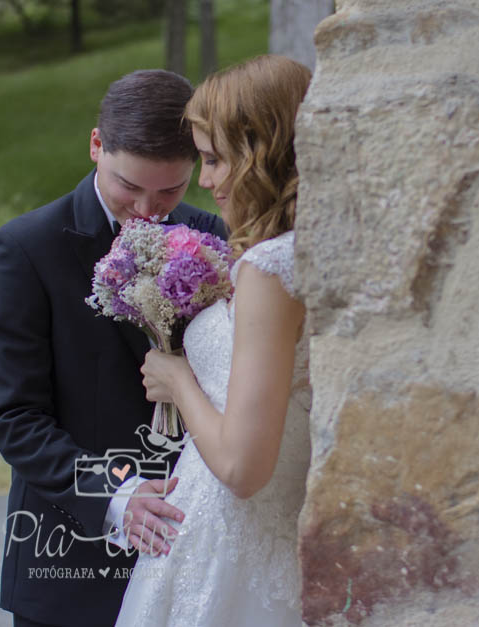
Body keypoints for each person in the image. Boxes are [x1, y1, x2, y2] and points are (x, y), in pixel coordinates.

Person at [0, 70, 227, 627]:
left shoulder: (211, 236)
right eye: (129, 186)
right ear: (96, 145)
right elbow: (15, 417)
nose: (148, 208)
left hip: (195, 548)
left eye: (170, 190)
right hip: (69, 560)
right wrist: (119, 496)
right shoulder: (24, 250)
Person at [114, 55, 312, 626]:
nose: (204, 181)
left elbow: (243, 468)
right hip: (213, 534)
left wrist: (178, 380)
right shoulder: (286, 254)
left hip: (237, 545)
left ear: (262, 153)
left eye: (213, 158)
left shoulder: (272, 270)